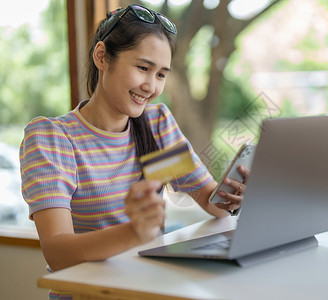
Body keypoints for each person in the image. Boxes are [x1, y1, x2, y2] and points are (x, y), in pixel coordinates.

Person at [20, 4, 248, 299]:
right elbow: (58, 253)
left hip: (150, 289)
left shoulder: (155, 126)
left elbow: (212, 203)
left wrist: (232, 195)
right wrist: (134, 234)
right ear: (102, 56)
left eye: (161, 74)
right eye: (143, 68)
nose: (151, 86)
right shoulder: (53, 139)